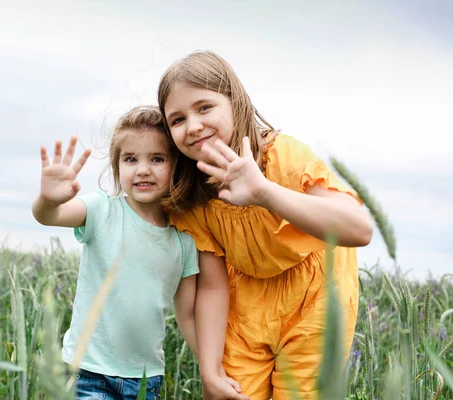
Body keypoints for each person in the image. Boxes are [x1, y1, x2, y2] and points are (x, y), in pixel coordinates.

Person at [157, 50, 373, 400]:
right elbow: (212, 287)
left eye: (204, 107)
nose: (193, 125)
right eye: (177, 120)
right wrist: (209, 370)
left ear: (234, 102)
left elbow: (359, 229)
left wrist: (263, 192)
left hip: (316, 298)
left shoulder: (283, 156)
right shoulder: (192, 196)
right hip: (245, 303)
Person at [32, 106, 203, 400]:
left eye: (157, 158)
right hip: (87, 372)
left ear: (178, 165)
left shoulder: (184, 239)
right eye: (130, 159)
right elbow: (50, 216)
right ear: (117, 166)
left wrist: (213, 367)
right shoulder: (102, 210)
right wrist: (47, 200)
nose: (143, 169)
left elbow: (186, 315)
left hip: (146, 378)